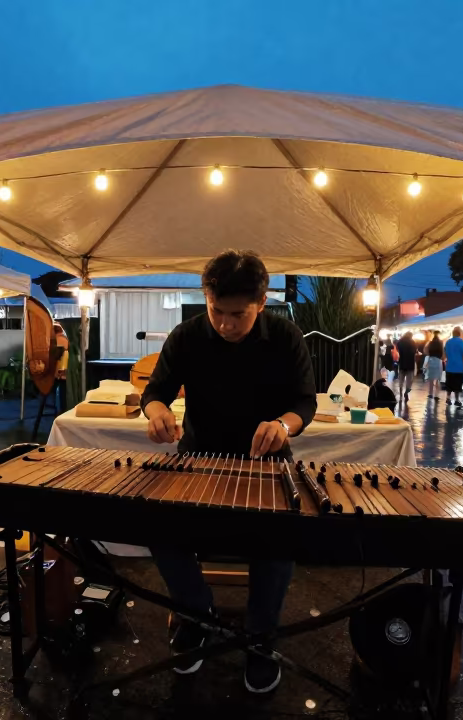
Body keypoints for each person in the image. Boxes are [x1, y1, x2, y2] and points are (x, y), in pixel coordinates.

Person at [142, 249, 315, 693]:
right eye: (217, 311)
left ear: (261, 302)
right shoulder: (187, 336)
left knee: (278, 543)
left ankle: (260, 639)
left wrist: (283, 425)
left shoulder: (286, 337)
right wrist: (157, 410)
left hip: (267, 465)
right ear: (206, 297)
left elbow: (304, 402)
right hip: (200, 460)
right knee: (159, 530)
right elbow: (156, 390)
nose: (225, 323)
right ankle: (199, 616)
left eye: (238, 314)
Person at [443, 326, 463, 408]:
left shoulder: (448, 342)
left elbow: (445, 354)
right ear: (460, 334)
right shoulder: (462, 342)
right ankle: (457, 400)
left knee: (449, 384)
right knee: (458, 384)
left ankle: (448, 398)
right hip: (459, 367)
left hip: (449, 366)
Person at [393, 331, 416, 407]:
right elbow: (415, 351)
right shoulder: (412, 342)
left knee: (401, 379)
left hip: (402, 363)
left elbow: (399, 350)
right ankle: (406, 392)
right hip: (410, 363)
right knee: (409, 380)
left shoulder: (400, 342)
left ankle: (400, 393)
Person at [423, 330, 444, 401]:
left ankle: (430, 393)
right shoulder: (441, 343)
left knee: (431, 378)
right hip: (438, 361)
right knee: (437, 378)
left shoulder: (430, 343)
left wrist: (429, 354)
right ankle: (436, 394)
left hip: (431, 360)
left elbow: (425, 350)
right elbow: (443, 353)